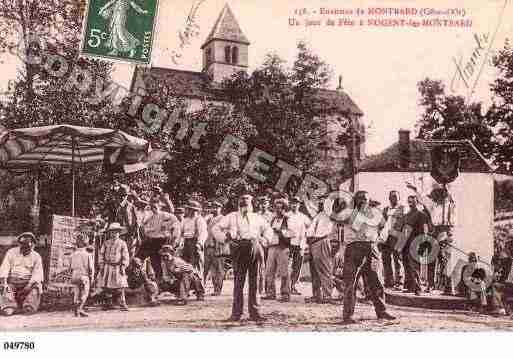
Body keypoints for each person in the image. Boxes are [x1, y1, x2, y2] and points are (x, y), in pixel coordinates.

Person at [212, 193, 273, 321]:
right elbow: (215, 228)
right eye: (242, 202)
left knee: (255, 281)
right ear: (238, 204)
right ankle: (236, 313)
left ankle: (255, 313)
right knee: (239, 282)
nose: (245, 205)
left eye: (247, 202)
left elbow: (268, 229)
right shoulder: (232, 216)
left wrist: (265, 239)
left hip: (255, 246)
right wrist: (225, 239)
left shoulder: (257, 217)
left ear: (252, 204)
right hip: (239, 247)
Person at [338, 190, 395, 324]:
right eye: (360, 199)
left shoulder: (375, 212)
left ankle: (382, 311)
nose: (363, 201)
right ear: (355, 200)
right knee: (351, 282)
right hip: (353, 248)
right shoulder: (348, 213)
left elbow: (384, 227)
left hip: (371, 248)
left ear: (369, 200)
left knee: (377, 281)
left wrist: (379, 240)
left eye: (366, 199)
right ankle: (348, 315)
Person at [407, 182, 455, 294]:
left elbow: (451, 197)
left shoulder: (449, 204)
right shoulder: (432, 205)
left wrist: (446, 187)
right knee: (431, 260)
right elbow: (422, 198)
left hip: (445, 232)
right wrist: (415, 188)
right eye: (436, 194)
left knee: (444, 261)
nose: (437, 197)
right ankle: (431, 285)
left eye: (440, 194)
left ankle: (448, 287)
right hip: (434, 232)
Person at [0, 232, 43, 316]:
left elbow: (37, 273)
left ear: (33, 245)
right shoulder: (11, 252)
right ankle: (8, 307)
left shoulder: (36, 256)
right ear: (19, 244)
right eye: (23, 246)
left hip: (28, 282)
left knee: (37, 286)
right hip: (13, 282)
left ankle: (29, 306)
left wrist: (29, 285)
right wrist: (4, 282)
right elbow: (5, 267)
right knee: (4, 288)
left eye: (28, 247)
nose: (26, 249)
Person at [140, 198, 181, 280]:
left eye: (155, 207)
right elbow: (143, 229)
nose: (153, 209)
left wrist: (174, 242)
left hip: (163, 241)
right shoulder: (149, 218)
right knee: (154, 262)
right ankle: (159, 280)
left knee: (166, 262)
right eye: (152, 207)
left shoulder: (168, 216)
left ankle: (169, 281)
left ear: (160, 206)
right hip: (152, 242)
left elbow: (176, 228)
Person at [263, 198, 294, 302]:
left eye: (280, 208)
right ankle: (270, 293)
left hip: (283, 247)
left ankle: (285, 294)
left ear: (284, 208)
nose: (278, 210)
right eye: (276, 208)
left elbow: (292, 233)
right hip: (272, 247)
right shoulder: (272, 219)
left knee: (284, 272)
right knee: (269, 271)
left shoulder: (288, 219)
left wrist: (280, 232)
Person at [305, 195, 335, 304]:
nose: (321, 203)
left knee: (324, 269)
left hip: (322, 241)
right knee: (314, 271)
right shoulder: (319, 215)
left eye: (324, 201)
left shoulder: (330, 214)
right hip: (313, 242)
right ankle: (316, 294)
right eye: (320, 201)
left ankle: (328, 295)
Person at [96, 222, 130, 311]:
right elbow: (101, 254)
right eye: (112, 232)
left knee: (120, 286)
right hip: (107, 267)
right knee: (107, 286)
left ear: (119, 233)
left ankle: (122, 303)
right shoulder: (106, 243)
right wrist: (102, 265)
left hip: (118, 267)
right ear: (109, 233)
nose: (114, 234)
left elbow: (125, 255)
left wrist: (123, 266)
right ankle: (108, 303)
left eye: (116, 232)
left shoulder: (122, 243)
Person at [401, 195, 430, 296]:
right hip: (405, 243)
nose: (410, 203)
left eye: (412, 202)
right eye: (409, 202)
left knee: (414, 266)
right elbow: (403, 230)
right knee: (406, 265)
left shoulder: (422, 215)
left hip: (415, 243)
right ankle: (410, 287)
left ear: (417, 202)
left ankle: (418, 288)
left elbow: (425, 230)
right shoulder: (406, 215)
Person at [287, 196, 311, 295]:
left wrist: (305, 241)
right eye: (292, 203)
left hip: (300, 244)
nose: (294, 205)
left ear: (299, 204)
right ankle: (286, 287)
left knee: (297, 266)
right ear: (290, 204)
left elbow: (310, 227)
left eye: (296, 203)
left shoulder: (303, 217)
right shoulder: (286, 216)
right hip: (289, 244)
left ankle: (294, 286)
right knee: (287, 266)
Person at [381, 190, 405, 289]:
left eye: (395, 196)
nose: (393, 198)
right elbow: (382, 222)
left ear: (399, 198)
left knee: (397, 259)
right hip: (386, 237)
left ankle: (399, 282)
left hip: (397, 237)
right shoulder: (386, 209)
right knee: (385, 258)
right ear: (389, 198)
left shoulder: (403, 209)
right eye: (391, 197)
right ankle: (388, 281)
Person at [204, 201, 227, 296]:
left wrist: (220, 245)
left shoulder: (223, 218)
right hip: (209, 246)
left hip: (218, 247)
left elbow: (224, 234)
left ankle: (218, 289)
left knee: (219, 269)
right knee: (212, 270)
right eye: (212, 207)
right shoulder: (210, 219)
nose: (214, 209)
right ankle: (213, 288)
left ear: (220, 208)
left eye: (216, 207)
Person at [70, 233, 94, 317]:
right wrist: (92, 277)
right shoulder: (88, 255)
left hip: (75, 275)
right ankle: (79, 308)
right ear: (86, 243)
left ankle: (78, 310)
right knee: (85, 293)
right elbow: (90, 268)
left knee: (76, 293)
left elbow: (71, 267)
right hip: (84, 276)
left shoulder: (73, 254)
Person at [181, 200, 208, 274]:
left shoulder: (199, 220)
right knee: (185, 265)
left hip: (195, 243)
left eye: (187, 209)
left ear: (192, 210)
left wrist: (199, 243)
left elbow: (203, 233)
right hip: (186, 243)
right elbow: (181, 233)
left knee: (196, 266)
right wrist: (180, 242)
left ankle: (199, 282)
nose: (186, 211)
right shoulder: (185, 220)